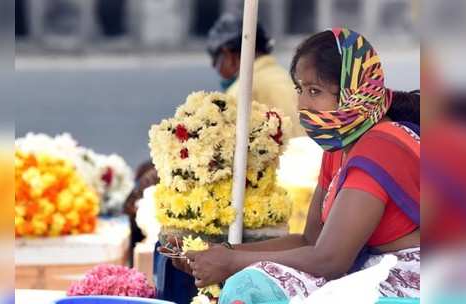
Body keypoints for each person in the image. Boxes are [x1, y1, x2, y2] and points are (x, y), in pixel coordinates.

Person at [166, 28, 421, 303]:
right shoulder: (339, 146)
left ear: (355, 93)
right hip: (373, 272)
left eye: (315, 91)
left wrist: (231, 262)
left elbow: (330, 259)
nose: (301, 104)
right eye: (300, 90)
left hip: (415, 284)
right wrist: (222, 251)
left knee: (251, 286)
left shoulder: (378, 146)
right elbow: (310, 240)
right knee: (256, 282)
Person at [208, 13, 305, 137]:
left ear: (228, 55)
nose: (214, 67)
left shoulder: (242, 90)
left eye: (216, 60)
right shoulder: (286, 77)